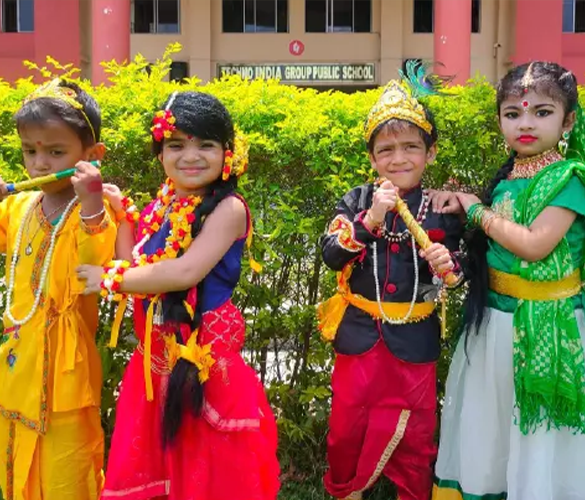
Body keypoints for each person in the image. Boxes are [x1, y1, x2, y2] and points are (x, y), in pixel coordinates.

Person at [77, 91, 280, 500]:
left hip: (206, 368)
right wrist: (121, 217)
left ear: (228, 153)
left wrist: (108, 279)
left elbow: (184, 271)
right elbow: (135, 263)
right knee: (158, 471)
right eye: (176, 145)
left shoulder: (229, 209)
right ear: (160, 154)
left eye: (205, 144)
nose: (191, 156)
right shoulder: (163, 206)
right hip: (154, 365)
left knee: (207, 476)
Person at [433, 61, 585, 500]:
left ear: (567, 121)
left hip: (551, 330)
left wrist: (474, 210)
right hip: (496, 330)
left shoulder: (571, 179)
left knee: (544, 444)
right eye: (513, 113)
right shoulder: (507, 179)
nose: (525, 123)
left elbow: (534, 245)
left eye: (541, 112)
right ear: (500, 120)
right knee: (495, 437)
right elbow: (494, 248)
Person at [318, 69, 466, 500]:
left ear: (430, 153)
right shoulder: (357, 201)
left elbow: (460, 275)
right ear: (372, 158)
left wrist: (449, 265)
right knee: (346, 431)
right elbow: (331, 255)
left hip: (415, 342)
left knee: (417, 438)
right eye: (386, 150)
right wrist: (370, 221)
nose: (398, 159)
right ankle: (346, 491)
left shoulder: (442, 208)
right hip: (359, 338)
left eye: (410, 148)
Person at [0, 79, 116, 500]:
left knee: (66, 471)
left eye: (55, 152)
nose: (39, 165)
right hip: (15, 365)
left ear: (91, 157)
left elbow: (97, 266)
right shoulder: (16, 207)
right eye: (30, 151)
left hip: (67, 376)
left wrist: (91, 202)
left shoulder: (102, 209)